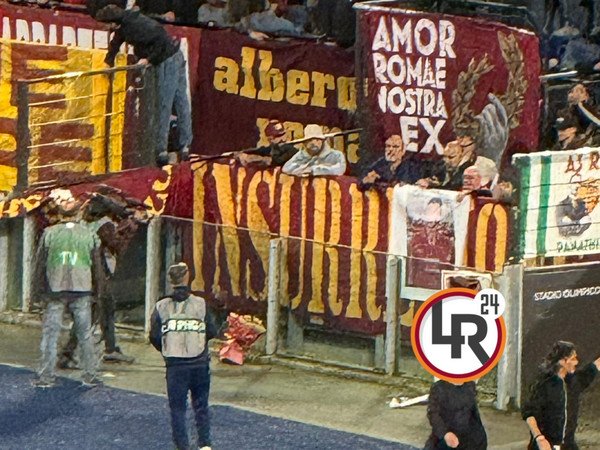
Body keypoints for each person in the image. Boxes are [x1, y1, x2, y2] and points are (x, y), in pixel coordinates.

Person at [95, 4, 192, 166]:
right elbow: (116, 42)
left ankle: (161, 150)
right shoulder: (126, 24)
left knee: (164, 103)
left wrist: (148, 59)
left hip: (167, 59)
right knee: (180, 101)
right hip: (173, 54)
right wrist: (108, 61)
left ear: (113, 22)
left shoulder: (136, 26)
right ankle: (185, 146)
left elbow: (160, 40)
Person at [33, 190, 103, 388]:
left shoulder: (49, 233)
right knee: (85, 335)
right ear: (79, 213)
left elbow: (40, 265)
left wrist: (38, 291)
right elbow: (97, 267)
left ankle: (46, 376)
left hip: (55, 289)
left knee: (50, 334)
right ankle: (89, 374)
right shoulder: (89, 235)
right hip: (82, 289)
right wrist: (98, 292)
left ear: (59, 214)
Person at [150, 263, 217, 450]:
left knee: (178, 409)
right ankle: (205, 445)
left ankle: (182, 446)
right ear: (188, 278)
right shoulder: (201, 304)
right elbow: (211, 331)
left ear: (170, 280)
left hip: (175, 365)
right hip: (199, 363)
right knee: (201, 406)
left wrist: (167, 350)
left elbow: (154, 336)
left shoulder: (161, 306)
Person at [522, 341, 600, 450]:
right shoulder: (544, 385)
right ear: (562, 361)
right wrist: (540, 439)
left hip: (568, 446)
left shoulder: (573, 382)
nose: (576, 362)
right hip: (546, 446)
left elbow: (593, 368)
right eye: (573, 359)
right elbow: (529, 413)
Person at [424, 380, 487, 449]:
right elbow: (433, 414)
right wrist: (445, 434)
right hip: (445, 435)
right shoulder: (439, 388)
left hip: (467, 436)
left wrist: (480, 439)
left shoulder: (470, 386)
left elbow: (474, 415)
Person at [358, 134, 425, 191]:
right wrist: (366, 180)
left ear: (403, 151)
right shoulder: (379, 164)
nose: (391, 149)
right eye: (388, 146)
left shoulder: (410, 166)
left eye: (395, 147)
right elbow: (361, 182)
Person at [282, 124, 346, 176]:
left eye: (317, 140)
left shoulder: (336, 155)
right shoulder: (301, 155)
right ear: (305, 143)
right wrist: (304, 168)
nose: (314, 143)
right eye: (310, 140)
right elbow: (286, 168)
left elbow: (340, 170)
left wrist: (314, 170)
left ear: (322, 141)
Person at [554, 83, 600, 150]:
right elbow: (560, 134)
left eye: (581, 91)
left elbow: (597, 121)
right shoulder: (563, 113)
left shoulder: (594, 110)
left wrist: (581, 104)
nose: (577, 94)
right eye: (575, 91)